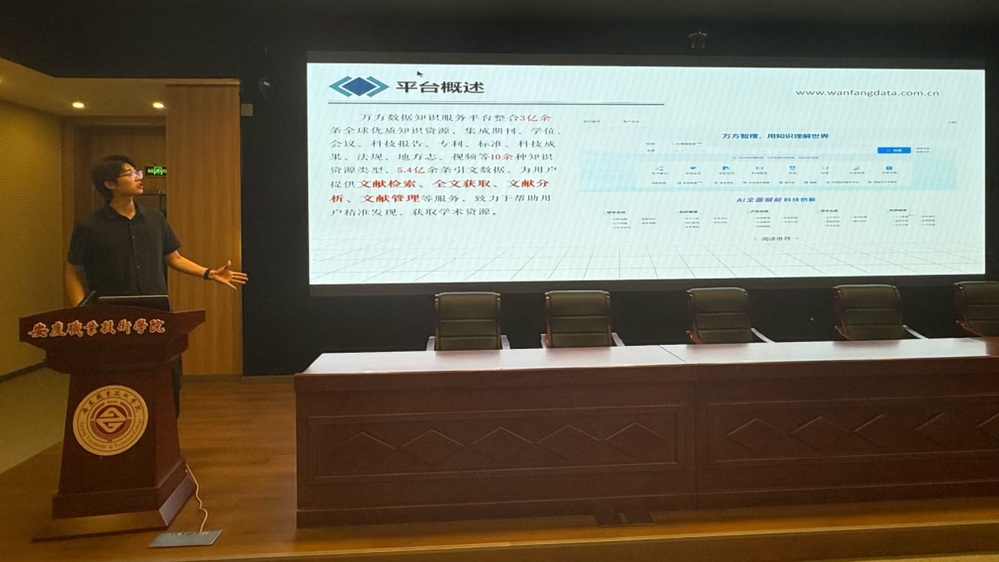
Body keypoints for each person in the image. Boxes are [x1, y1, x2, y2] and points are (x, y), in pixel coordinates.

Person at [65, 154, 248, 415]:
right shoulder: (89, 226)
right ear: (109, 184)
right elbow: (73, 270)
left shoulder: (155, 219)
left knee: (168, 382)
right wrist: (81, 310)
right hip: (112, 319)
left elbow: (174, 258)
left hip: (157, 315)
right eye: (130, 174)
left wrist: (209, 273)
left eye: (138, 172)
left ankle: (166, 436)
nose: (139, 177)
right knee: (120, 384)